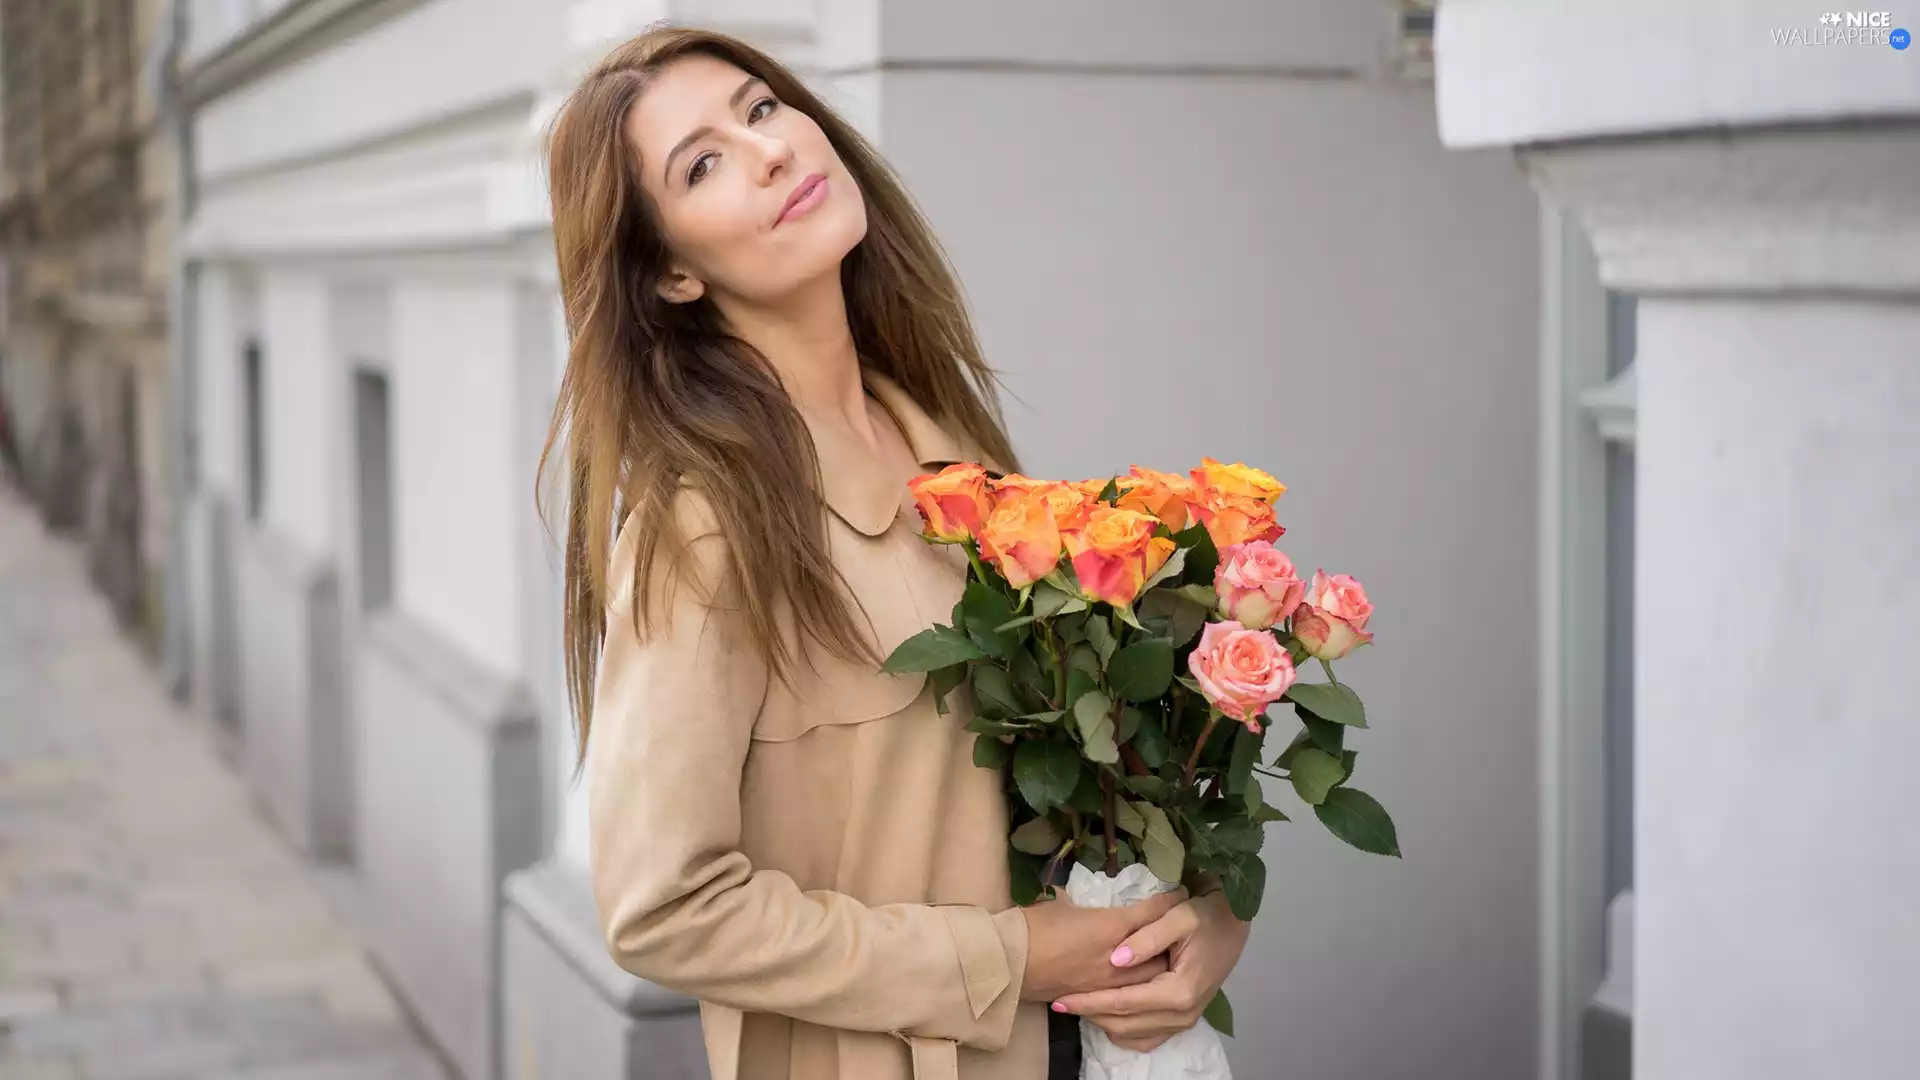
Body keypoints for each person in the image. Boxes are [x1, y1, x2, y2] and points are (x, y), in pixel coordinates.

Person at [538, 26, 1250, 1080]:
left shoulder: (950, 451)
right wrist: (1005, 960)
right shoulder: (707, 526)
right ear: (672, 275)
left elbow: (1083, 777)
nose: (770, 149)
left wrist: (1198, 923)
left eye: (762, 108)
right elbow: (663, 908)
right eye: (703, 163)